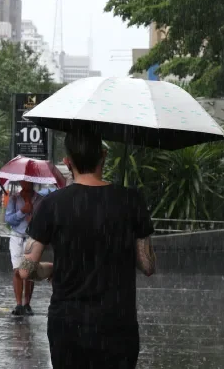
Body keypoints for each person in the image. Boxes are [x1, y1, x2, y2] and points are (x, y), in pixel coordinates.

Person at [19, 130, 156, 369]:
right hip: (117, 323)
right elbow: (148, 265)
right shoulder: (130, 200)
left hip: (68, 325)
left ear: (67, 162)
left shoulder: (52, 204)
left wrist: (49, 269)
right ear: (103, 156)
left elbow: (26, 270)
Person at [6, 180, 43, 316]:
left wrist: (34, 219)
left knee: (28, 272)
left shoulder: (40, 200)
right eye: (23, 181)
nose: (25, 183)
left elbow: (44, 219)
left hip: (31, 239)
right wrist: (22, 212)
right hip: (16, 237)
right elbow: (9, 220)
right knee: (17, 271)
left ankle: (27, 303)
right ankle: (18, 304)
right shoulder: (14, 198)